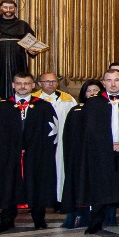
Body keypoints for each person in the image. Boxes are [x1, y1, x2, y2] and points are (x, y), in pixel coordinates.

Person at [0, 71, 58, 232]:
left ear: (33, 85)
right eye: (19, 83)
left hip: (36, 155)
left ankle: (39, 218)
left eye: (27, 83)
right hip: (9, 156)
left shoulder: (43, 106)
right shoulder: (1, 106)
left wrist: (43, 151)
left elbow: (52, 131)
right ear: (13, 85)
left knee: (36, 184)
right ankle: (7, 219)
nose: (23, 86)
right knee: (9, 185)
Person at [77, 70, 119, 234]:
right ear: (103, 82)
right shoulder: (94, 103)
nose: (113, 84)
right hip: (102, 152)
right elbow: (90, 130)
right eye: (109, 80)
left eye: (117, 80)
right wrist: (107, 144)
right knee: (100, 185)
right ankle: (96, 221)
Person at [58, 80, 102, 229]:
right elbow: (69, 136)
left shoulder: (106, 109)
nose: (92, 93)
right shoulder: (76, 111)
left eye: (96, 90)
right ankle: (79, 215)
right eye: (89, 90)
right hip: (79, 156)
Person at [33, 71, 76, 204]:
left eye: (53, 81)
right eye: (47, 81)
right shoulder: (34, 100)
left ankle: (60, 198)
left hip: (62, 141)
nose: (51, 84)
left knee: (61, 167)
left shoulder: (68, 100)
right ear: (39, 84)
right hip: (40, 142)